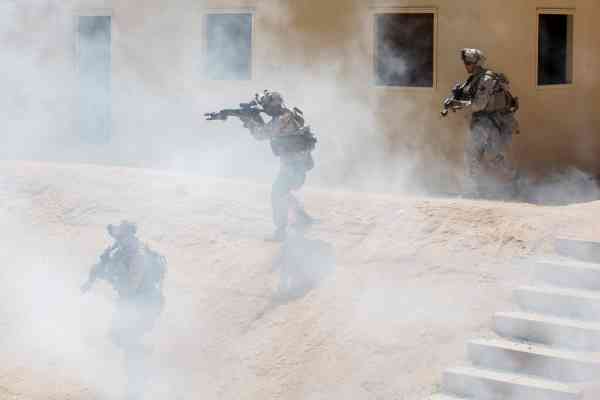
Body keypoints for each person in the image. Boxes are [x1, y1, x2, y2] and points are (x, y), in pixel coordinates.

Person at [81, 220, 166, 399]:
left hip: (145, 305)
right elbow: (99, 267)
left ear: (129, 236)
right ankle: (140, 362)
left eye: (120, 235)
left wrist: (112, 277)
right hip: (131, 304)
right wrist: (91, 281)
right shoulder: (119, 251)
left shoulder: (138, 256)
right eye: (117, 236)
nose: (117, 238)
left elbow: (130, 288)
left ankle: (137, 386)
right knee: (117, 335)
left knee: (129, 340)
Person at [242, 91, 317, 241]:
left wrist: (249, 121)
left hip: (293, 166)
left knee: (277, 194)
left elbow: (260, 135)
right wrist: (254, 118)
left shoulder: (281, 120)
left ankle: (281, 231)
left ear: (273, 106)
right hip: (299, 165)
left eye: (267, 106)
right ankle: (303, 218)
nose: (265, 109)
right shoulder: (289, 114)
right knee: (284, 191)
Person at [446, 49, 520, 197]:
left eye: (469, 63)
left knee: (477, 153)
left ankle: (476, 189)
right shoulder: (473, 79)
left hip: (492, 121)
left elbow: (479, 104)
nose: (466, 65)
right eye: (465, 63)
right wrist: (456, 99)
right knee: (489, 156)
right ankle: (510, 181)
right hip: (486, 121)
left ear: (477, 63)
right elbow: (471, 99)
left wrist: (457, 103)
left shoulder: (486, 79)